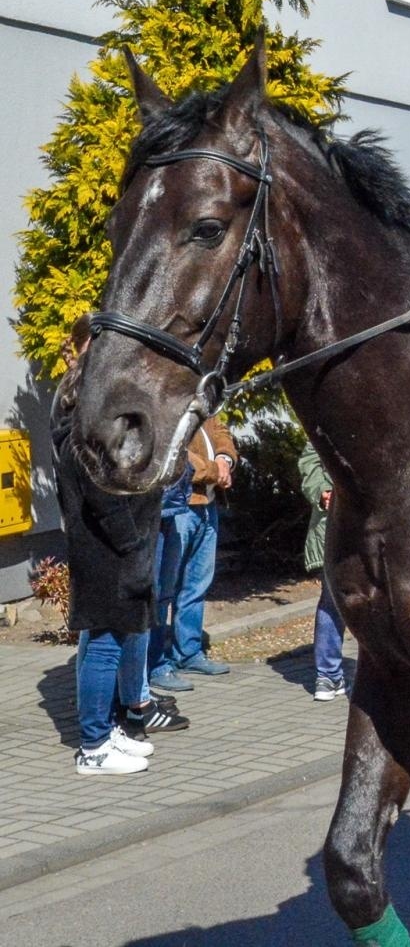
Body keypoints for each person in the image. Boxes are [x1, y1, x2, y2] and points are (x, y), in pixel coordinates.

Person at [52, 319, 158, 775]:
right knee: (104, 642)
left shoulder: (89, 400)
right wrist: (131, 544)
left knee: (104, 637)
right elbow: (100, 488)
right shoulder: (85, 408)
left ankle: (104, 728)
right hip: (106, 542)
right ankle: (93, 747)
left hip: (113, 538)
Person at [148, 417, 236, 692]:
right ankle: (156, 663)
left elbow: (221, 430)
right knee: (164, 588)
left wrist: (225, 459)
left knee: (197, 584)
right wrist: (214, 470)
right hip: (180, 506)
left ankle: (188, 652)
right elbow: (174, 454)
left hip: (208, 505)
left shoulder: (201, 400)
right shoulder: (169, 403)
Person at [298, 440, 346, 701]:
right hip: (334, 524)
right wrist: (322, 491)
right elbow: (309, 461)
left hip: (377, 526)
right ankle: (327, 675)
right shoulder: (329, 411)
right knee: (333, 601)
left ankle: (385, 674)